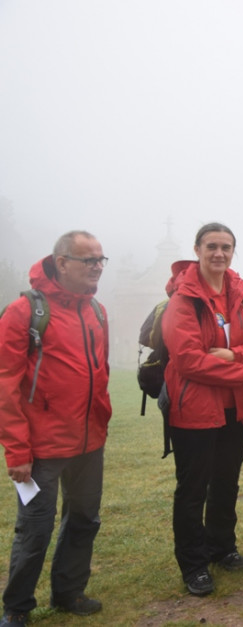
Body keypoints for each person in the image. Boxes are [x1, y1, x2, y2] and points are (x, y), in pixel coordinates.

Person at [0, 232, 111, 626]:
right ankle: (17, 608)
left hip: (89, 443)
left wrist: (100, 425)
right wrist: (17, 452)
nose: (98, 266)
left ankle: (68, 592)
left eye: (101, 260)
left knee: (84, 520)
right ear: (62, 263)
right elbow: (7, 385)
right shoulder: (24, 311)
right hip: (42, 449)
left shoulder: (97, 311)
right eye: (88, 260)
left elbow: (101, 373)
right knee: (35, 529)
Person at [162, 223, 243, 596]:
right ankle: (193, 564)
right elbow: (189, 360)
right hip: (193, 410)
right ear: (197, 249)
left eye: (226, 247)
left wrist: (233, 356)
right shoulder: (184, 299)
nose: (219, 253)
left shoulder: (240, 293)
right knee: (193, 489)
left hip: (233, 409)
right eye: (212, 246)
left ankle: (222, 547)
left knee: (226, 482)